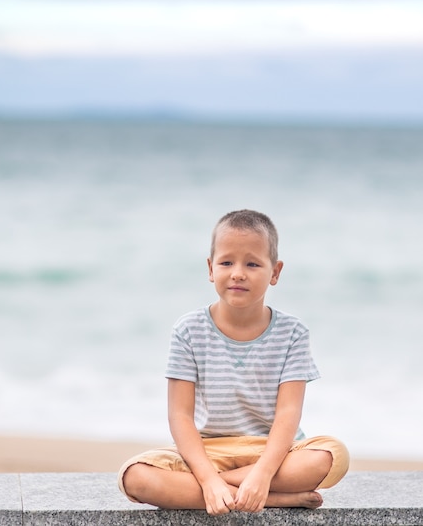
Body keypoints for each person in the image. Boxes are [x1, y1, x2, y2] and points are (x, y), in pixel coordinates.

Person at [118, 209, 349, 515]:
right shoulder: (188, 330)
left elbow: (288, 414)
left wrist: (263, 473)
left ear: (275, 272)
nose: (238, 273)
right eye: (227, 262)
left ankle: (229, 490)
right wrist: (208, 478)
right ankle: (269, 497)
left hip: (274, 452)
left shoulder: (293, 333)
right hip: (206, 452)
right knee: (134, 477)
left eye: (252, 264)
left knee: (333, 455)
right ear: (211, 268)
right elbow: (180, 416)